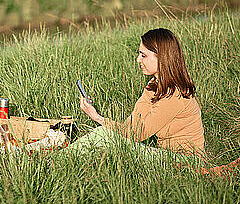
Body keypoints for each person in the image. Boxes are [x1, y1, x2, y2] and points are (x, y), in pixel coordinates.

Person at [69, 28, 205, 160]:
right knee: (104, 136)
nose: (138, 60)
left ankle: (54, 161)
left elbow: (138, 134)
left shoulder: (175, 94)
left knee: (103, 135)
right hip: (167, 156)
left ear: (162, 57)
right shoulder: (154, 85)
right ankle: (59, 159)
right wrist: (98, 118)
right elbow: (130, 127)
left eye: (144, 55)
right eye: (139, 54)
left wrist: (98, 118)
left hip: (186, 162)